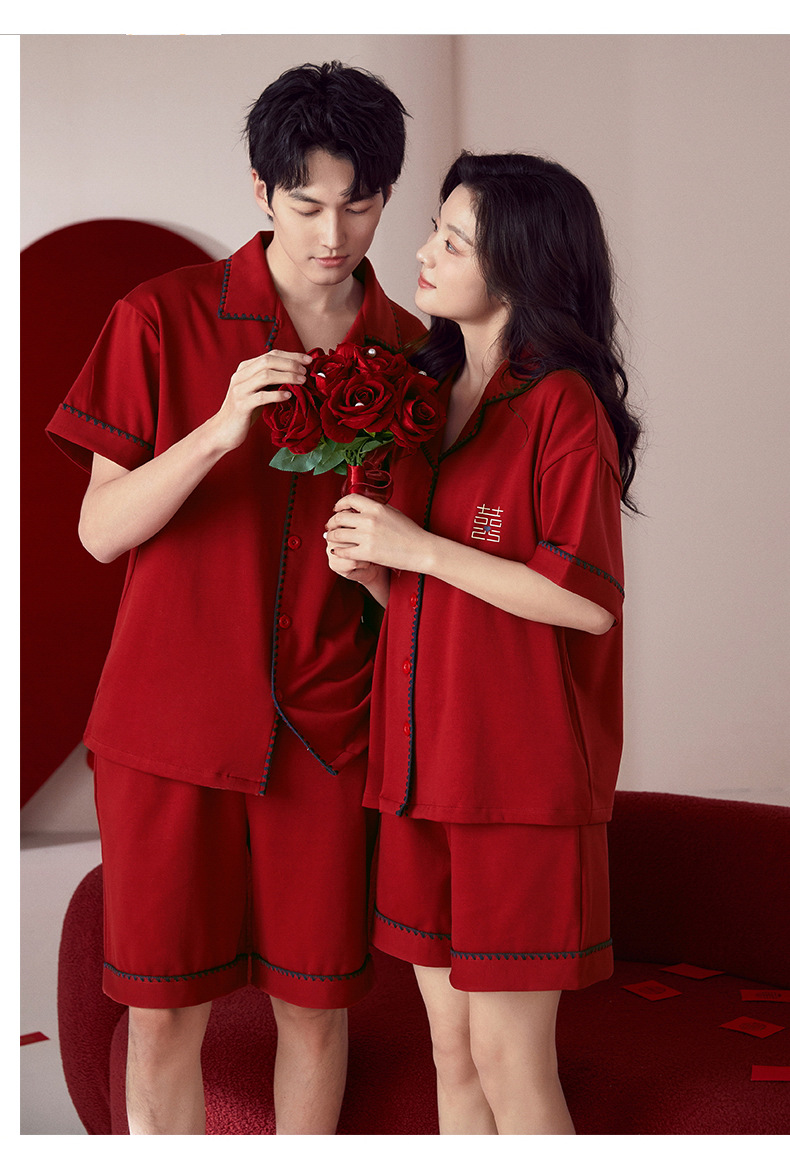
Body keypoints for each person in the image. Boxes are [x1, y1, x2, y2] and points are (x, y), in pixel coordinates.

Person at [46, 61, 424, 1136]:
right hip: (167, 727)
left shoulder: (413, 354)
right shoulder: (159, 317)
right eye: (305, 204)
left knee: (316, 1007)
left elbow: (421, 571)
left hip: (327, 728)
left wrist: (384, 564)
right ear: (260, 191)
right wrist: (216, 432)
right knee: (164, 1014)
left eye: (360, 203)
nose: (333, 234)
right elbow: (99, 530)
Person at [325, 151, 642, 1134]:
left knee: (511, 1062)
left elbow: (583, 602)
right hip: (419, 774)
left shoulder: (560, 407)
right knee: (451, 1054)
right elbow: (444, 597)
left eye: (453, 241)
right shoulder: (423, 399)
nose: (424, 252)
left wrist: (419, 548)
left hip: (517, 788)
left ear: (518, 266)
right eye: (435, 230)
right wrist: (377, 569)